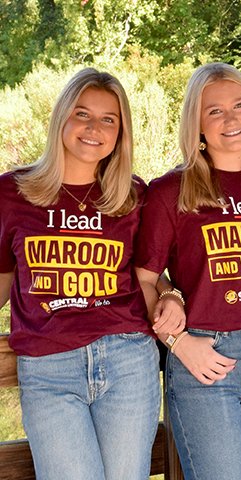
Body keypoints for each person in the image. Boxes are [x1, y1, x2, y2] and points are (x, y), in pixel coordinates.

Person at [0, 68, 182, 480]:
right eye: (82, 113)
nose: (93, 128)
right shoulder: (12, 192)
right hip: (48, 366)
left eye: (108, 119)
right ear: (62, 116)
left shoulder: (133, 195)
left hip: (127, 359)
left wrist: (171, 296)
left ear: (120, 132)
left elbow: (149, 277)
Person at [135, 62, 241, 480]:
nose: (230, 119)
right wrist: (176, 339)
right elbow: (143, 278)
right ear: (197, 125)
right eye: (214, 111)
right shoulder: (170, 192)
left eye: (240, 105)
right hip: (204, 356)